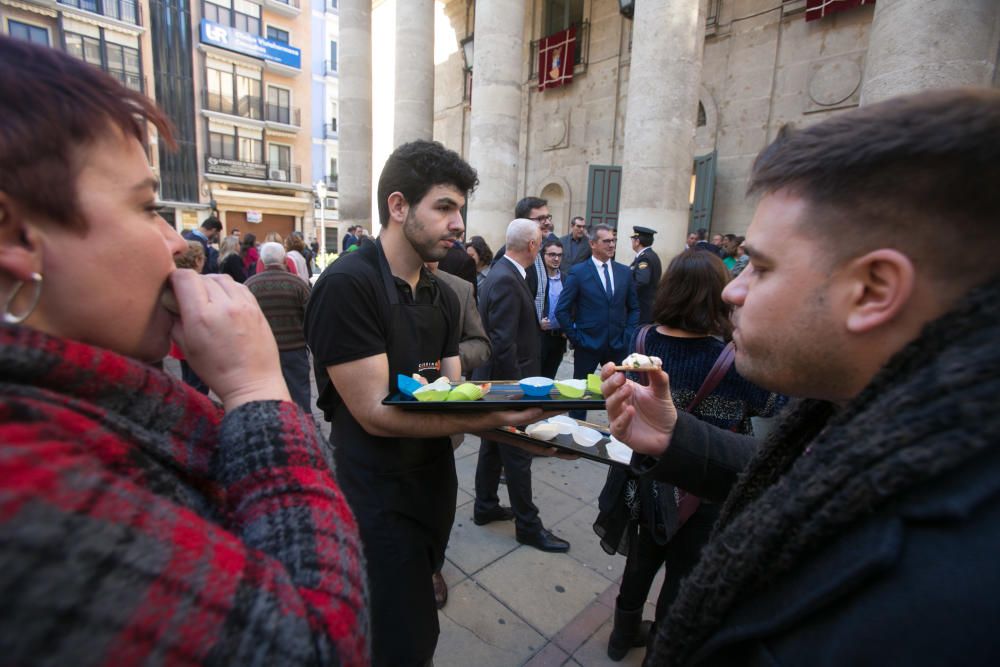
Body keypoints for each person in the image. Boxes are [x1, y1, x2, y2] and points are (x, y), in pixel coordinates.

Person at [601, 88, 1000, 666]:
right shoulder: (886, 431)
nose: (733, 290)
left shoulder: (931, 597)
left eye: (760, 267)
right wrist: (673, 437)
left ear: (872, 291)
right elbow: (790, 472)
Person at [0, 36, 367, 664]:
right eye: (146, 207)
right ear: (17, 237)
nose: (176, 242)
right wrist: (257, 391)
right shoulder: (31, 489)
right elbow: (318, 647)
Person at [304, 140, 560, 666]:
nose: (458, 223)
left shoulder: (444, 293)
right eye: (444, 207)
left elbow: (452, 395)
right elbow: (375, 412)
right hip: (373, 493)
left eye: (460, 209)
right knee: (403, 641)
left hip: (434, 485)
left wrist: (526, 428)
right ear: (399, 207)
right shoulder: (347, 285)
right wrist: (497, 416)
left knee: (415, 627)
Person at [594, 250, 783, 661]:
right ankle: (659, 648)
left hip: (648, 476)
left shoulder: (642, 339)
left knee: (641, 561)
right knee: (684, 574)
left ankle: (620, 636)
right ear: (717, 296)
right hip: (708, 485)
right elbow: (772, 407)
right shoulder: (733, 357)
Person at [472, 219, 571, 553]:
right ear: (532, 246)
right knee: (516, 454)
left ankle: (485, 505)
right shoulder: (505, 278)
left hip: (501, 382)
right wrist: (518, 390)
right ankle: (528, 526)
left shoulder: (508, 273)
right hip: (507, 384)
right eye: (540, 242)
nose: (541, 249)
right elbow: (502, 343)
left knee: (492, 446)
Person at [425, 258, 492, 609]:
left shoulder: (459, 288)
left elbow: (481, 344)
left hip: (441, 416)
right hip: (388, 411)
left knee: (438, 500)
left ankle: (433, 566)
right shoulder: (377, 281)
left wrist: (443, 357)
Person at [556, 224, 639, 419]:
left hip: (617, 344)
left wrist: (627, 335)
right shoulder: (579, 272)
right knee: (580, 396)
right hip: (588, 344)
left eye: (613, 240)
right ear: (593, 244)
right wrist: (577, 338)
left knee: (620, 395)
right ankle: (575, 436)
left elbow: (634, 308)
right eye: (607, 241)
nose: (612, 245)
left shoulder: (624, 272)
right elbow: (562, 310)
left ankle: (619, 437)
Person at [245, 242, 313, 412]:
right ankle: (305, 431)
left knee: (267, 398)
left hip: (262, 352)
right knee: (300, 396)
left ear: (262, 260)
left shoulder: (249, 285)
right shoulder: (298, 284)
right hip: (294, 350)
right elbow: (311, 317)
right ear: (284, 259)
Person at [493, 196, 553, 324]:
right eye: (541, 218)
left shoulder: (540, 250)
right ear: (523, 221)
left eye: (548, 217)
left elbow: (541, 292)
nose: (547, 222)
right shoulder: (508, 255)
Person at [539, 237, 568, 378]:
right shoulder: (536, 278)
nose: (556, 258)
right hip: (540, 337)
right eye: (552, 255)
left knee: (550, 378)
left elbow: (572, 306)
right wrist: (537, 321)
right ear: (543, 255)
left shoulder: (566, 279)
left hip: (559, 338)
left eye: (559, 255)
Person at [629, 225, 662, 325]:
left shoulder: (645, 258)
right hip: (647, 306)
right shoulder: (651, 255)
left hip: (642, 307)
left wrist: (628, 293)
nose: (631, 242)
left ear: (637, 241)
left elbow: (642, 281)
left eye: (632, 239)